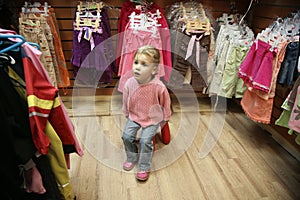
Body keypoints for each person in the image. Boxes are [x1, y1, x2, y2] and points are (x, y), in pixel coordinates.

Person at [122, 45, 172, 181]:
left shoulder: (159, 87)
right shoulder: (129, 83)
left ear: (154, 69)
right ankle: (132, 157)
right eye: (136, 62)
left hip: (152, 119)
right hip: (134, 116)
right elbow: (125, 99)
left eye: (144, 64)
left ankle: (144, 166)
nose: (137, 67)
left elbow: (165, 102)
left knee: (145, 141)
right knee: (126, 136)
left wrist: (166, 117)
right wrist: (126, 113)